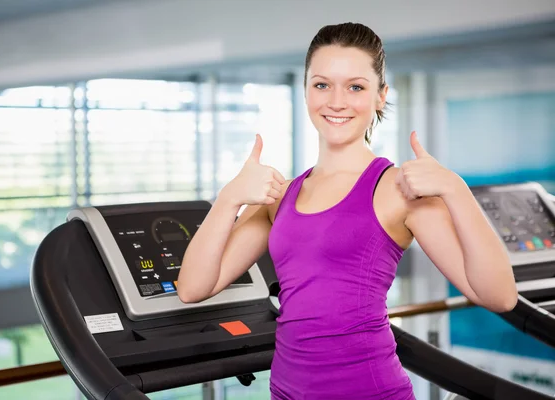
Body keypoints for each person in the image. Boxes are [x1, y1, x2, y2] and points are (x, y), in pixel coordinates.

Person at [177, 22, 518, 400]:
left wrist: (456, 190)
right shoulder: (281, 195)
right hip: (286, 392)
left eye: (355, 87)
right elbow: (194, 287)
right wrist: (229, 199)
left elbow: (499, 296)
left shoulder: (397, 190)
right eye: (321, 85)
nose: (336, 101)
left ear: (380, 96)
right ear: (306, 90)